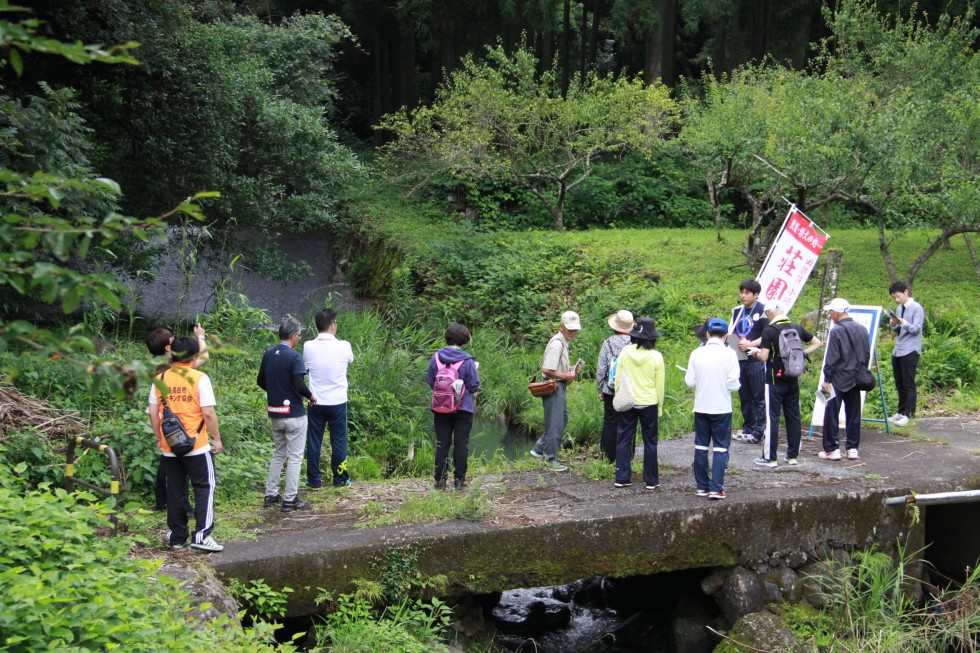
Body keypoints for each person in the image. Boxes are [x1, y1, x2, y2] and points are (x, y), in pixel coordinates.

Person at [148, 336, 224, 552]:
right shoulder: (200, 378)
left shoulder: (159, 378)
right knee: (204, 487)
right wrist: (216, 439)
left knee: (175, 491)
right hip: (196, 445)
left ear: (172, 354)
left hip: (170, 446)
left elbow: (153, 413)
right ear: (193, 357)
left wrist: (158, 437)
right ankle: (201, 535)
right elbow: (208, 413)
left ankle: (178, 537)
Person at [146, 324, 208, 511]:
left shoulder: (160, 365)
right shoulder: (172, 367)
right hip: (178, 421)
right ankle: (182, 505)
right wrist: (200, 337)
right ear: (167, 347)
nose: (174, 341)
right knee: (179, 459)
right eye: (172, 340)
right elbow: (203, 357)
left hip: (163, 418)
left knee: (168, 461)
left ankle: (163, 501)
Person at [258, 316, 317, 512]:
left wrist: (275, 390)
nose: (299, 339)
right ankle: (290, 499)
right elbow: (299, 384)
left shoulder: (268, 354)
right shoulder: (294, 357)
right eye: (299, 336)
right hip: (294, 413)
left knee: (278, 453)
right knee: (295, 457)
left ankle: (271, 494)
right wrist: (311, 396)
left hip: (275, 412)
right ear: (292, 335)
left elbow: (261, 381)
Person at [752, 301, 822, 467]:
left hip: (775, 380)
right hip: (793, 378)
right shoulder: (796, 327)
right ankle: (792, 456)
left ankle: (771, 458)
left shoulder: (769, 330)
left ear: (769, 312)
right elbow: (817, 342)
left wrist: (755, 353)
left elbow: (763, 357)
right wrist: (802, 354)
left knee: (772, 418)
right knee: (793, 417)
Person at [685, 318, 741, 500]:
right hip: (722, 408)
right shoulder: (730, 354)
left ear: (707, 334)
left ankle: (702, 486)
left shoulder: (696, 353)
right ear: (726, 336)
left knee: (700, 446)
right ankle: (716, 487)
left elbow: (690, 381)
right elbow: (734, 384)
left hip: (701, 407)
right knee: (720, 448)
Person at [303, 308, 354, 490]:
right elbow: (350, 360)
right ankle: (340, 479)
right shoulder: (344, 345)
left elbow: (307, 367)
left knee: (314, 440)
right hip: (338, 401)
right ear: (332, 325)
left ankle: (314, 480)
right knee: (339, 440)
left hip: (315, 400)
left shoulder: (308, 346)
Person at [612, 317, 665, 491]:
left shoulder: (626, 352)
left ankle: (622, 477)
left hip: (629, 401)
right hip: (649, 402)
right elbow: (660, 385)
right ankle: (651, 480)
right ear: (652, 338)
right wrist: (659, 407)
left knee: (624, 439)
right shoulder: (656, 356)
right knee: (650, 442)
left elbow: (618, 377)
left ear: (634, 336)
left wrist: (619, 396)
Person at [426, 323, 480, 490]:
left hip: (440, 407)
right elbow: (473, 385)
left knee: (442, 443)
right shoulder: (467, 360)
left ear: (447, 337)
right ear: (464, 339)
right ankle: (459, 481)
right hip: (463, 407)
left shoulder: (436, 357)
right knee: (461, 444)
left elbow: (430, 380)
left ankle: (440, 481)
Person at [530, 311, 583, 472]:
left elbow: (556, 366)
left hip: (558, 385)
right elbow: (547, 368)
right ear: (561, 327)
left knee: (562, 419)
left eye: (575, 329)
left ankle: (539, 449)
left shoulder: (563, 341)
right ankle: (550, 458)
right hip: (554, 386)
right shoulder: (557, 343)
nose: (573, 332)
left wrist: (571, 370)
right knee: (556, 423)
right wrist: (566, 375)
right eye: (570, 329)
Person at [819, 298, 870, 461]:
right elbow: (866, 354)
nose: (829, 315)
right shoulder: (862, 329)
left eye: (830, 312)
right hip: (856, 378)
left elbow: (832, 358)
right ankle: (853, 448)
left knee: (831, 413)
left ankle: (832, 449)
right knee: (854, 414)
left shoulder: (836, 331)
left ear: (836, 313)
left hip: (838, 378)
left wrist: (826, 379)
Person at [729, 279, 768, 444]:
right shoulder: (737, 311)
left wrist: (750, 344)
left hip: (756, 357)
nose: (743, 296)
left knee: (758, 395)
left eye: (747, 293)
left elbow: (768, 334)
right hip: (740, 358)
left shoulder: (764, 310)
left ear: (756, 294)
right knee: (744, 395)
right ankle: (748, 428)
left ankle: (760, 430)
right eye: (741, 292)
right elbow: (731, 331)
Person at [596, 310, 634, 463]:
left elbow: (601, 369)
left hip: (610, 389)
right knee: (628, 422)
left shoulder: (608, 343)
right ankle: (627, 456)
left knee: (610, 422)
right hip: (630, 389)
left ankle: (608, 457)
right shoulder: (635, 343)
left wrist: (600, 389)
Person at [887, 282, 924, 427]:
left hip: (911, 350)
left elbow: (916, 329)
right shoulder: (898, 308)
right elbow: (899, 331)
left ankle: (909, 414)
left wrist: (903, 322)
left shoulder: (917, 308)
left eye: (898, 296)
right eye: (894, 297)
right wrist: (895, 324)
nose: (896, 300)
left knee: (909, 383)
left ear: (906, 292)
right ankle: (900, 412)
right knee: (899, 383)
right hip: (898, 349)